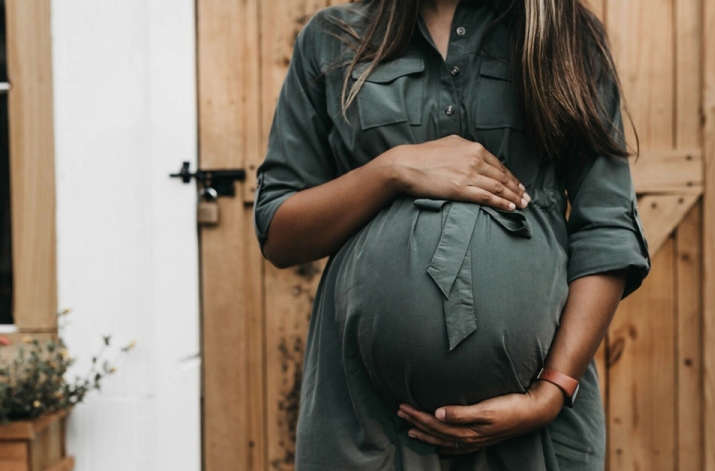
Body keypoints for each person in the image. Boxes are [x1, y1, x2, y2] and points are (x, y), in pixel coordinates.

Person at [252, 0, 651, 469]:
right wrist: (391, 170)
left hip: (534, 425)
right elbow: (280, 232)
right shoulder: (332, 37)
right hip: (366, 423)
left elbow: (606, 227)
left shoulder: (566, 33)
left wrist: (551, 391)